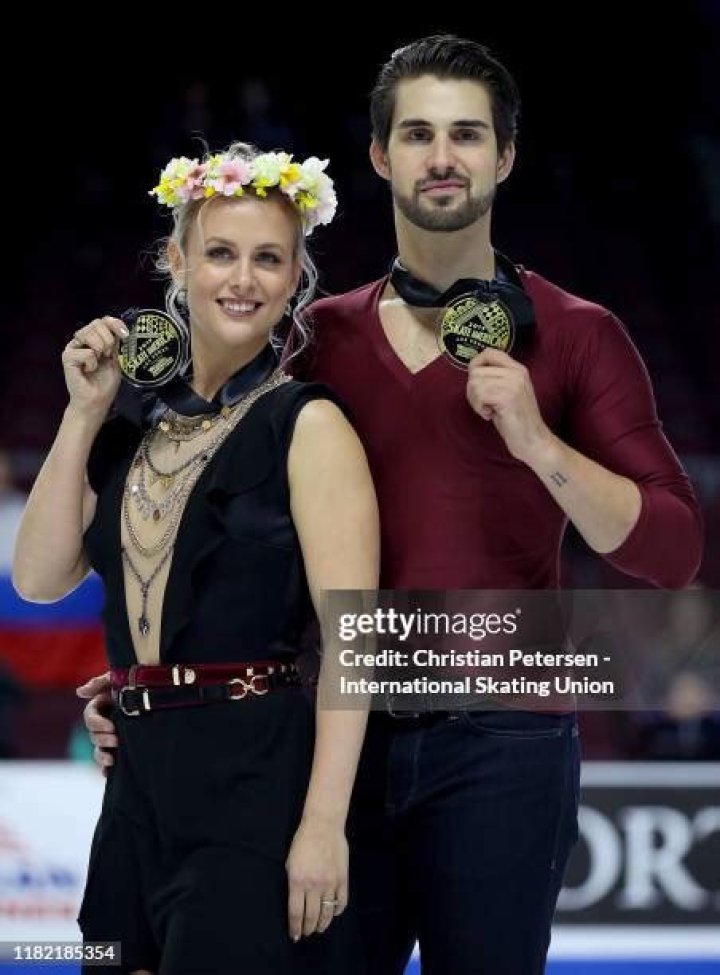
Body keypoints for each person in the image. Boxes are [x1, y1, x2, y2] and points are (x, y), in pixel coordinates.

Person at [79, 35, 703, 975]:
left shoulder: (579, 335)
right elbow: (201, 517)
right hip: (328, 743)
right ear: (379, 157)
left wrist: (537, 442)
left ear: (506, 156)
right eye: (417, 134)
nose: (441, 156)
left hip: (503, 738)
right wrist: (150, 687)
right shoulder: (310, 339)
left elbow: (672, 551)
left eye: (465, 134)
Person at [13, 142, 379, 975]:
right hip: (135, 781)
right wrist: (82, 414)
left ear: (295, 279)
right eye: (219, 252)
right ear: (177, 261)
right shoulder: (134, 431)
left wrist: (323, 823)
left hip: (253, 783)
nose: (241, 279)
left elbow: (355, 643)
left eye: (267, 259)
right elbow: (38, 579)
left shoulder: (308, 425)